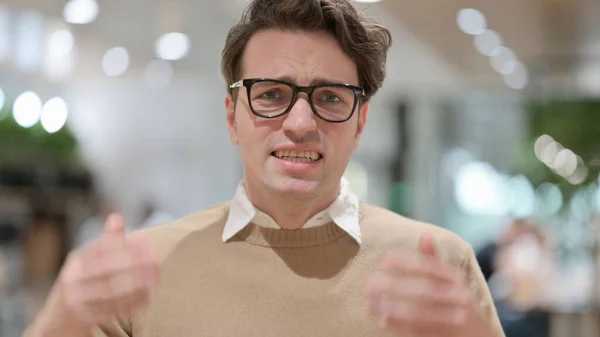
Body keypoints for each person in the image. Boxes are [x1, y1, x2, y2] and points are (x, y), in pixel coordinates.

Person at [24, 0, 505, 336]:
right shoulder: (144, 269)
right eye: (272, 94)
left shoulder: (437, 265)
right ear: (233, 117)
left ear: (360, 123)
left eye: (330, 98)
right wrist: (58, 320)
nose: (300, 123)